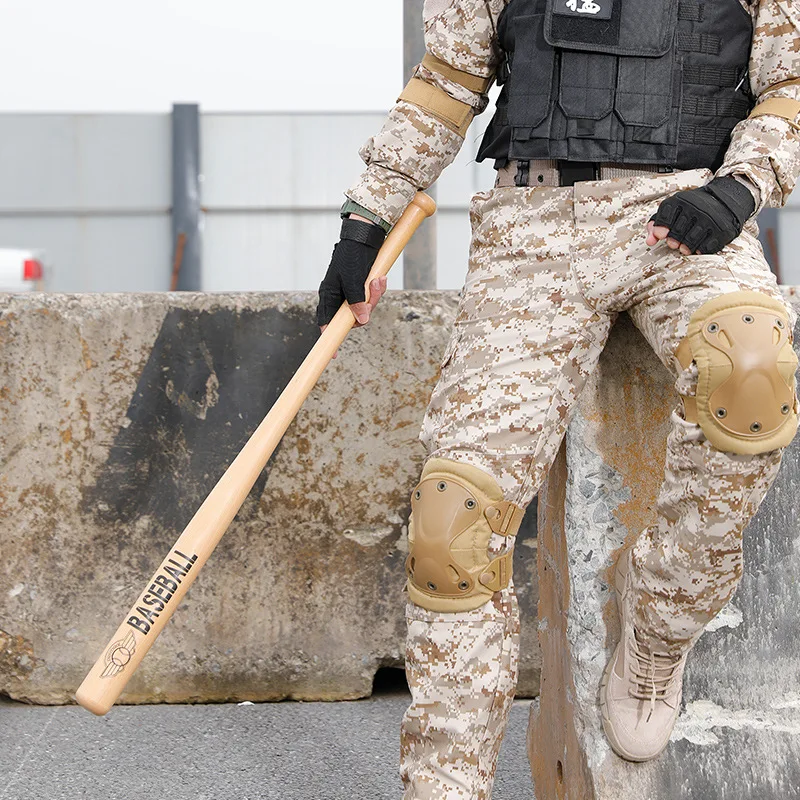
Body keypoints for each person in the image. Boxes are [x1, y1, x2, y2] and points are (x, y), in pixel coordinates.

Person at [317, 0, 800, 795]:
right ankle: (445, 782)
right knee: (451, 524)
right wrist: (368, 212)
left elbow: (788, 83)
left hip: (687, 219)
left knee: (750, 373)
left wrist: (740, 189)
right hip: (533, 229)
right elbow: (446, 80)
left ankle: (657, 626)